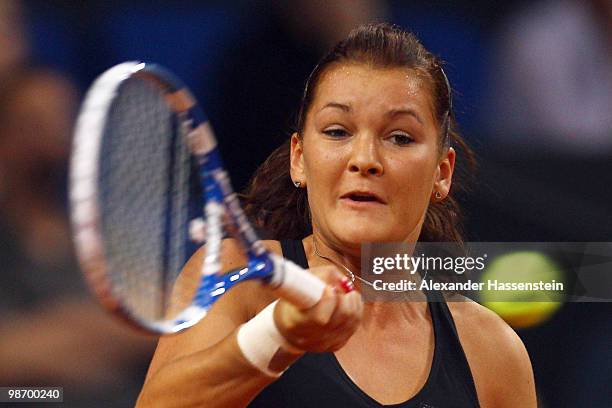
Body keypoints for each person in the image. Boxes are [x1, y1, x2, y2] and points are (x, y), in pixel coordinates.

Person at [137, 23, 536, 407]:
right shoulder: (236, 275)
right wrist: (278, 333)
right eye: (337, 131)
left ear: (441, 173)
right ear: (299, 159)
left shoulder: (489, 350)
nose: (365, 160)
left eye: (400, 137)